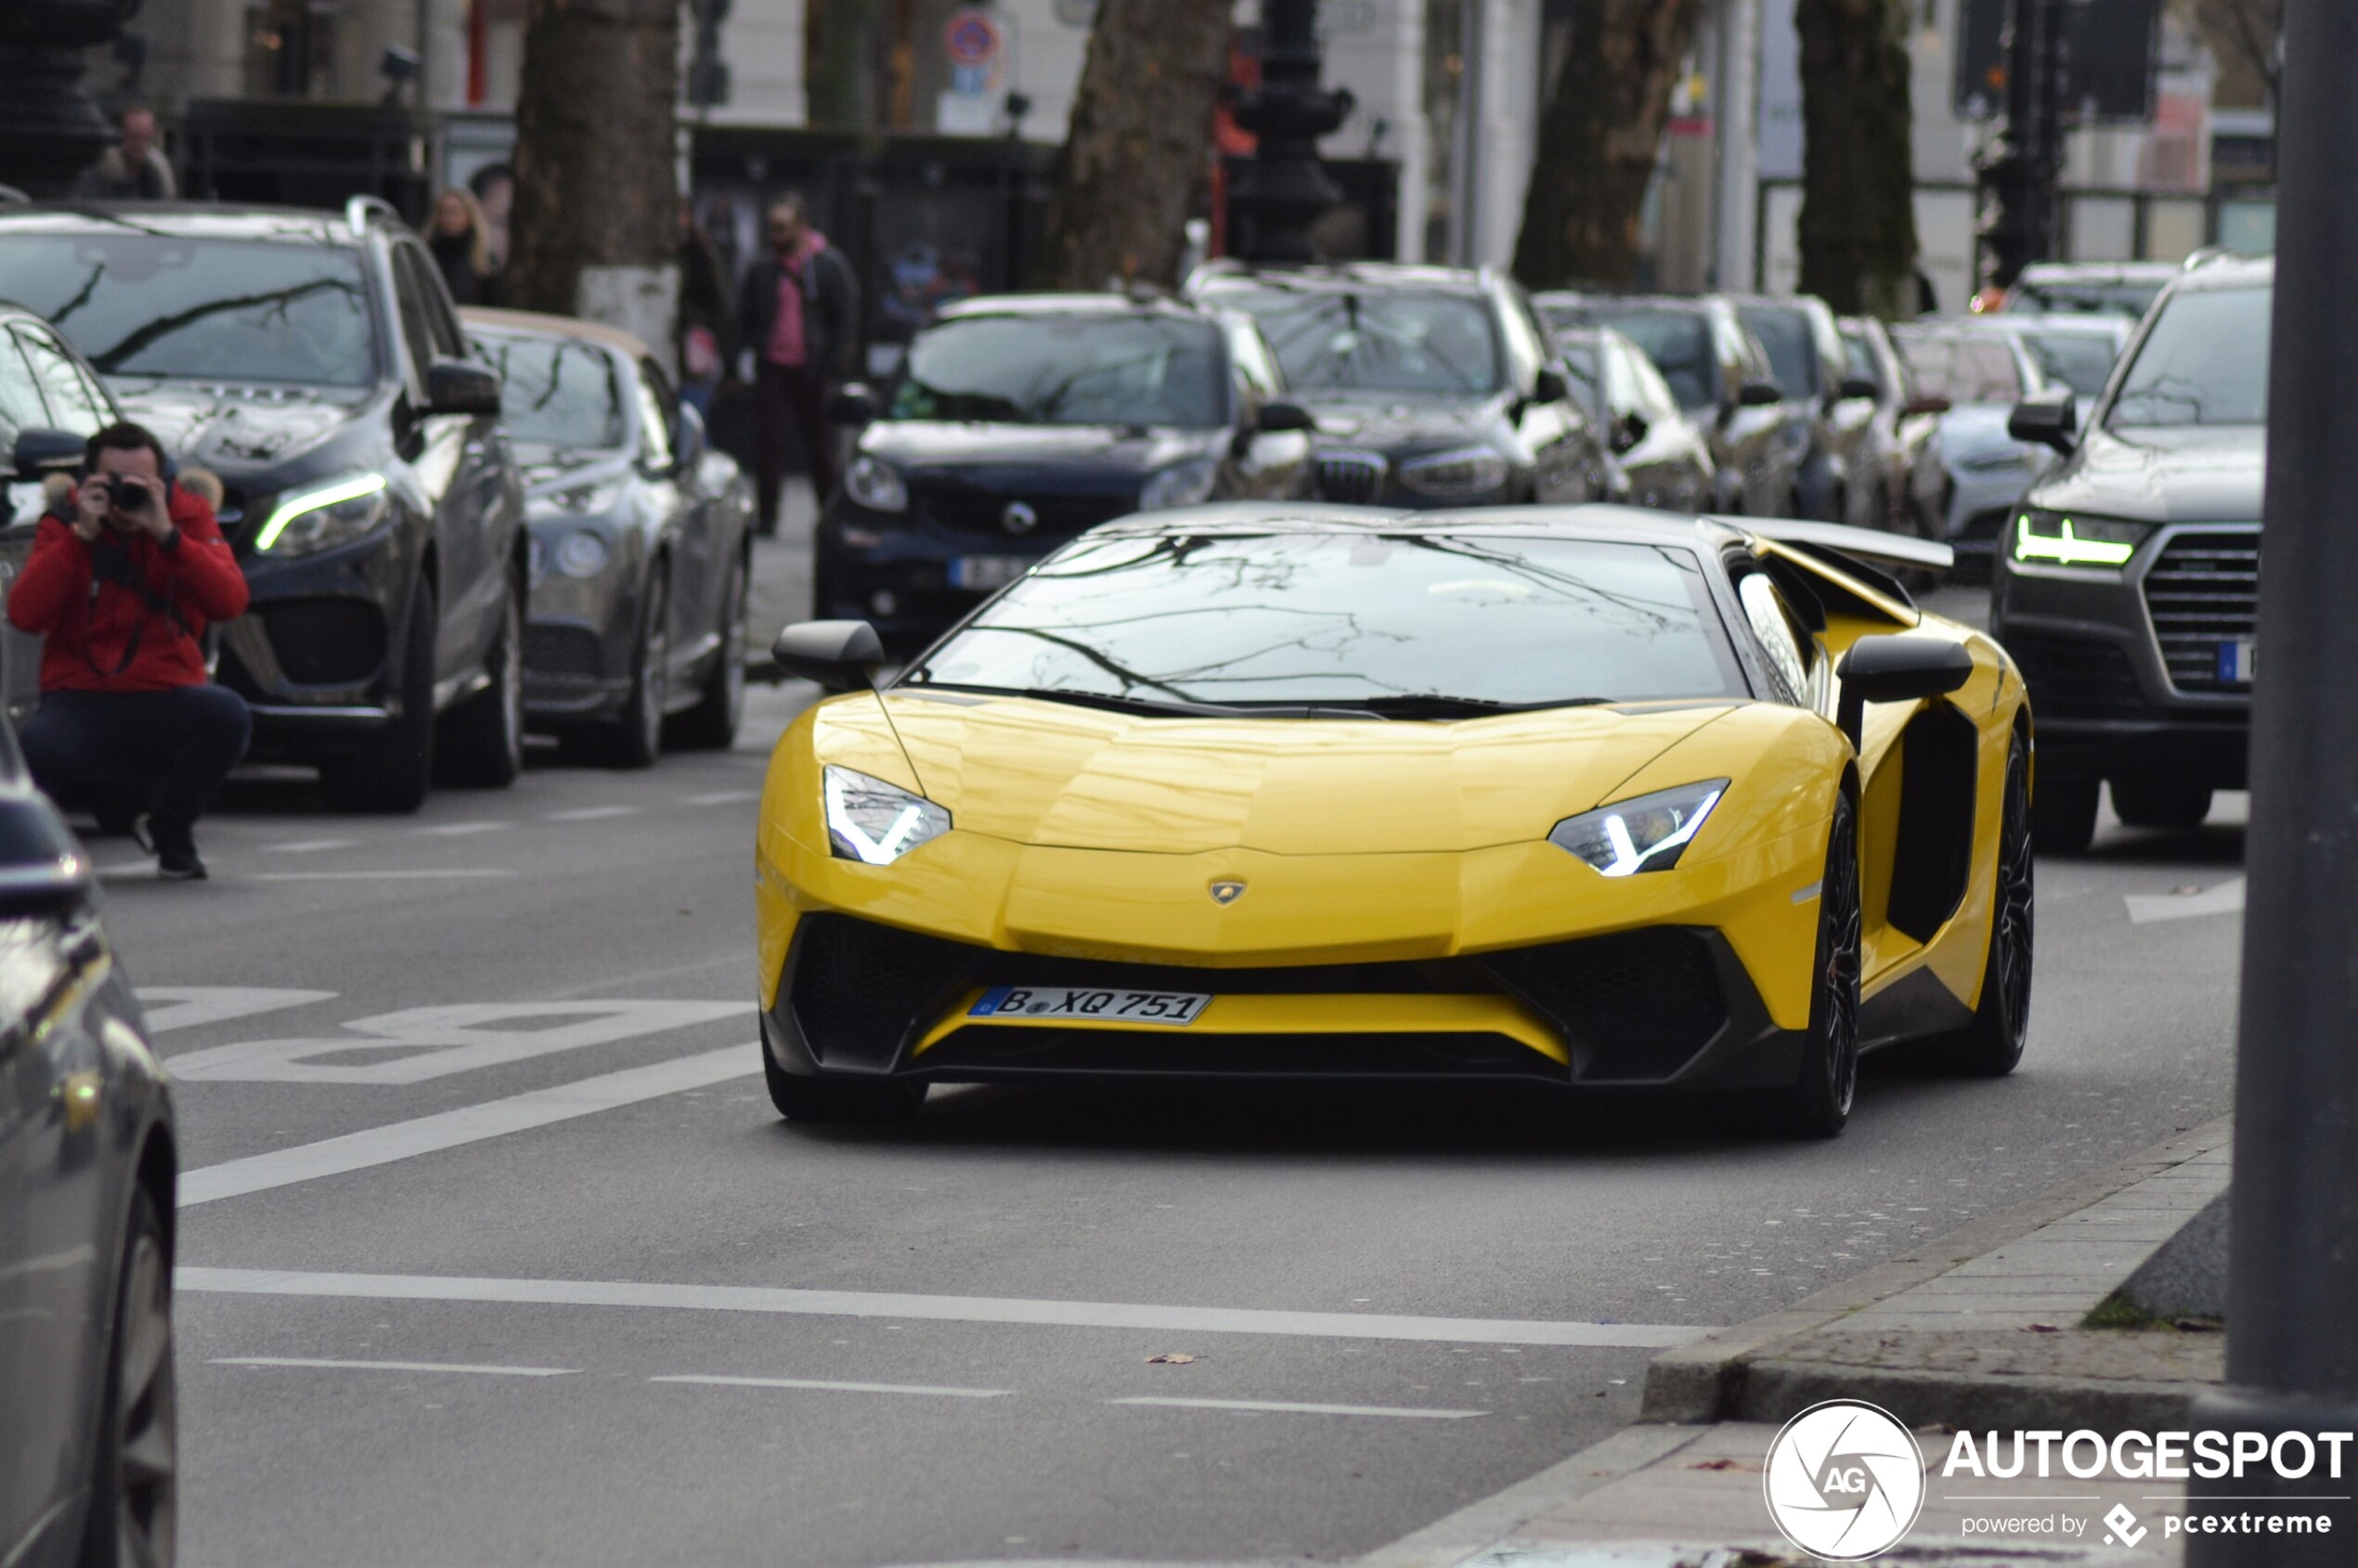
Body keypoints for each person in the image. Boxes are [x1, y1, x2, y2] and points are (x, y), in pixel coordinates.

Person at [7, 424, 251, 881]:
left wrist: (167, 534)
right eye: (114, 482)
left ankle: (171, 829)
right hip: (80, 696)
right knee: (37, 750)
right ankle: (43, 859)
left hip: (167, 694)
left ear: (162, 480)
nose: (126, 495)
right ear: (89, 480)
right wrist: (81, 537)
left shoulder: (187, 517)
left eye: (139, 484)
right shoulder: (65, 524)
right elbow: (25, 613)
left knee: (228, 714)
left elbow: (230, 602)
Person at [734, 194, 860, 533]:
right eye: (772, 229)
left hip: (812, 367)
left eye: (783, 229)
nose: (776, 236)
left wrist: (832, 363)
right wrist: (747, 355)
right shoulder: (763, 269)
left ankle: (830, 515)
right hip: (774, 363)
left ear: (801, 228)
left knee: (819, 444)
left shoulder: (826, 266)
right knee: (768, 442)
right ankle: (768, 515)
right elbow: (745, 316)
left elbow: (844, 317)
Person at [677, 199, 731, 420]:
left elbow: (719, 303)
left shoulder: (701, 254)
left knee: (692, 416)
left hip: (694, 349)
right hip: (680, 349)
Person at [71, 107, 176, 200]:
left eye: (146, 138)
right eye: (134, 137)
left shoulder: (156, 175)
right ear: (122, 136)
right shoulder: (101, 175)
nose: (139, 145)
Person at [429, 188, 502, 306]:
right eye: (443, 212)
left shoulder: (482, 259)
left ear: (470, 216)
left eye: (454, 212)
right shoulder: (427, 252)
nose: (447, 218)